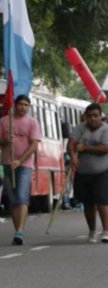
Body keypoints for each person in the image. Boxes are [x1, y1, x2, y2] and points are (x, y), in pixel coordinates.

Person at [68, 103, 108, 244]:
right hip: (84, 172)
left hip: (105, 170)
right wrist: (72, 155)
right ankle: (92, 231)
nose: (92, 119)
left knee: (102, 200)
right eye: (89, 116)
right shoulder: (80, 128)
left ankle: (107, 231)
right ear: (85, 117)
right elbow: (71, 143)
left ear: (101, 116)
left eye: (95, 116)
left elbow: (106, 148)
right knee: (88, 203)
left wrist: (84, 147)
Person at [0, 94, 42, 245]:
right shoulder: (4, 121)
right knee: (13, 200)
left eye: (26, 105)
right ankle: (17, 230)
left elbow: (34, 145)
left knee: (22, 197)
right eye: (21, 104)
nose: (23, 107)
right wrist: (5, 140)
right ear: (15, 105)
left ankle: (20, 231)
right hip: (6, 163)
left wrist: (20, 160)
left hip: (24, 165)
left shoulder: (32, 122)